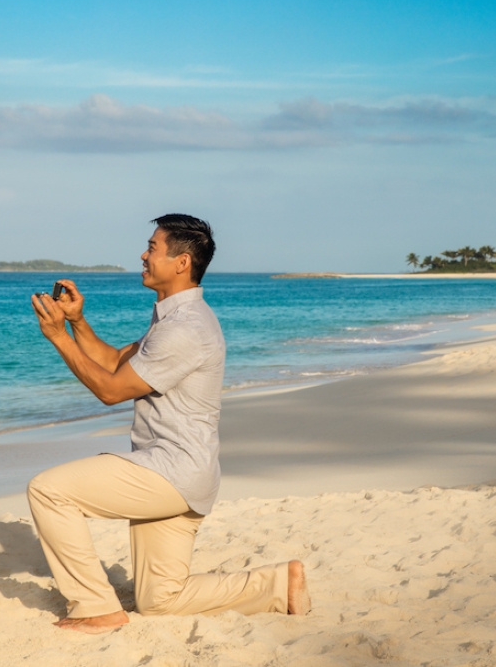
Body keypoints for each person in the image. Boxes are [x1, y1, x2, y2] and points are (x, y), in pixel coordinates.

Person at [28, 214, 311, 634]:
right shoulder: (175, 320)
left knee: (48, 490)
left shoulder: (185, 329)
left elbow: (109, 390)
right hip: (185, 473)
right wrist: (77, 322)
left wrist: (58, 337)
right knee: (160, 602)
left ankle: (95, 607)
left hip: (170, 471)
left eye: (153, 247)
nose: (143, 255)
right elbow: (114, 363)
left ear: (181, 262)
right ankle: (275, 584)